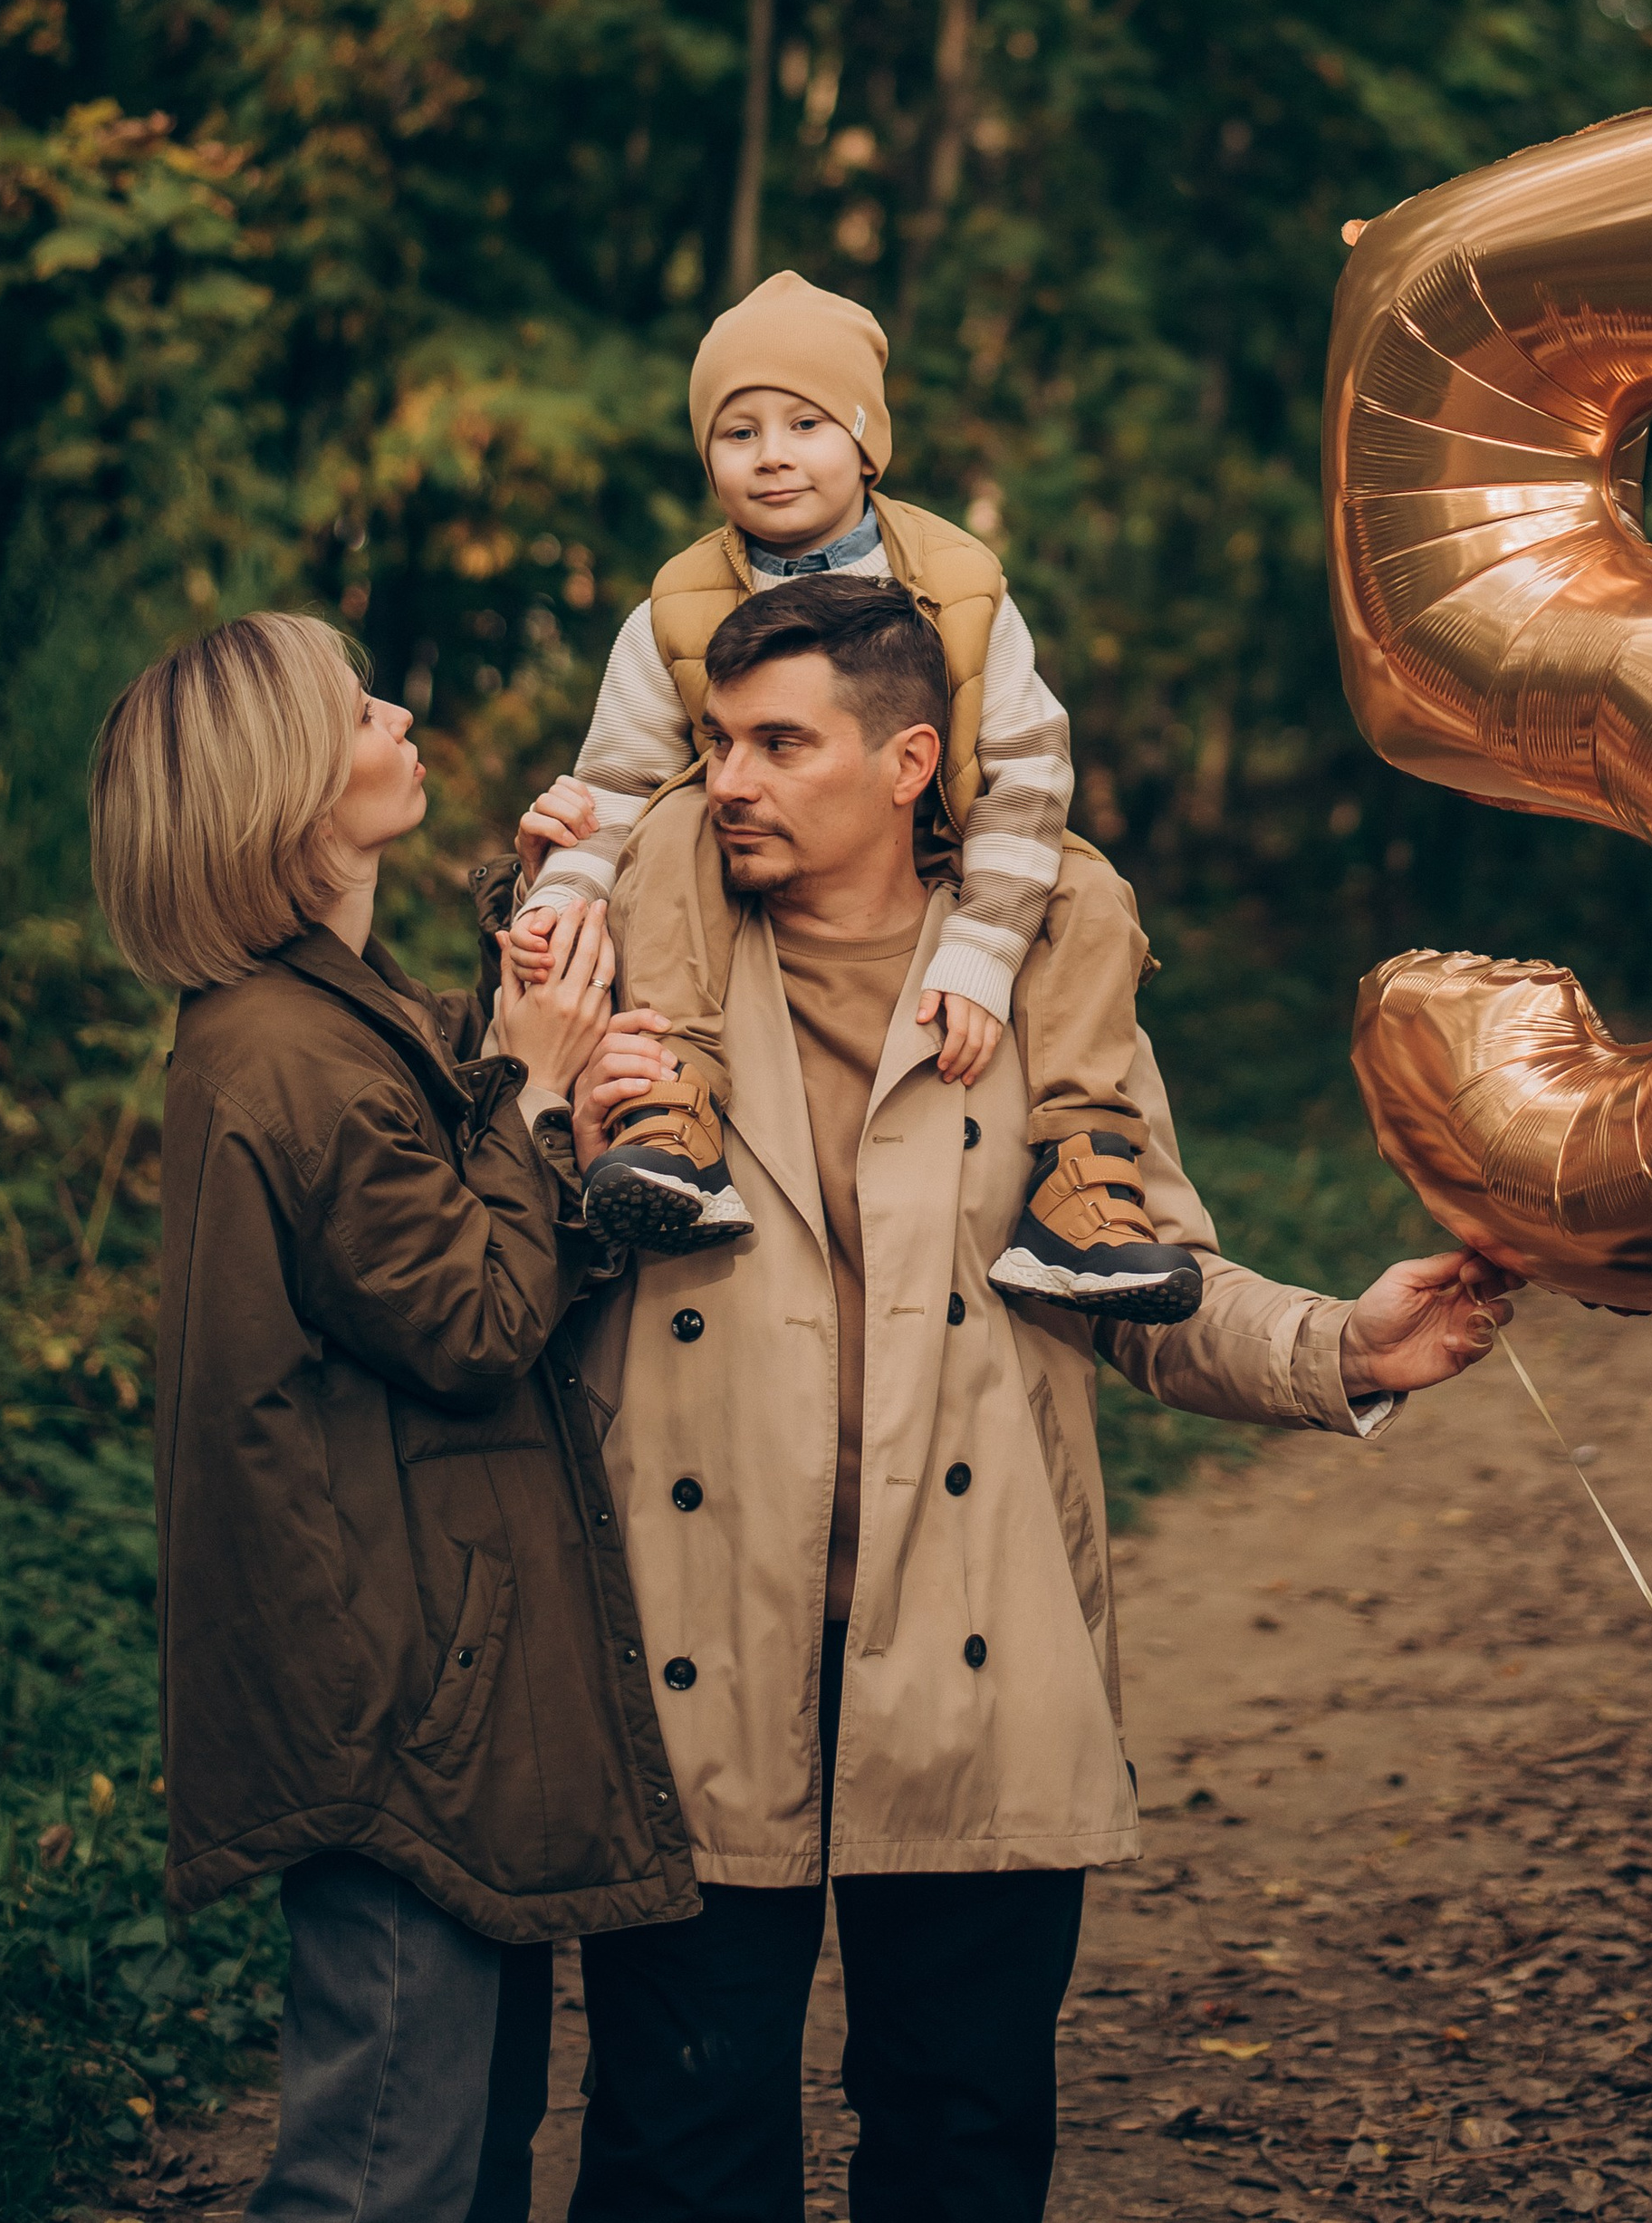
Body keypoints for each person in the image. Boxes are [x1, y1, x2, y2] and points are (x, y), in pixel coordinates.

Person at [539, 575, 1520, 2223]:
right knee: (676, 2142)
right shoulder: (639, 959)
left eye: (781, 743)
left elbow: (1140, 1283)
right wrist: (557, 1118)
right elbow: (511, 1251)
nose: (730, 780)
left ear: (910, 758)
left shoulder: (1046, 975)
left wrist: (1346, 1346)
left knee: (962, 2137)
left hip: (974, 1642)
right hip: (694, 1643)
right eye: (718, 741)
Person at [88, 611, 699, 2223]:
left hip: (411, 1667)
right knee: (382, 2177)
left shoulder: (309, 1016)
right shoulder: (287, 1057)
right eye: (359, 708)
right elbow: (477, 1314)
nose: (398, 709)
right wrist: (546, 1095)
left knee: (449, 2154)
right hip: (393, 1694)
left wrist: (536, 918)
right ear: (288, 791)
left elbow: (439, 1081)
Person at [506, 266, 1203, 1323]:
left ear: (866, 440)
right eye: (737, 433)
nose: (772, 452)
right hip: (752, 860)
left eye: (805, 422)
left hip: (959, 842)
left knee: (1092, 900)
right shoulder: (678, 601)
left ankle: (1081, 1177)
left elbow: (1028, 764)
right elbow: (616, 777)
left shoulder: (961, 579)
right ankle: (672, 1113)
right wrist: (558, 894)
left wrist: (981, 947)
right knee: (684, 815)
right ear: (707, 459)